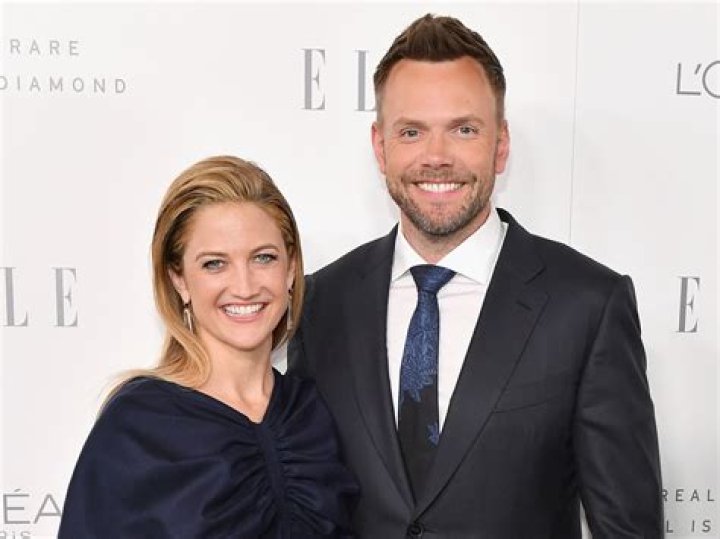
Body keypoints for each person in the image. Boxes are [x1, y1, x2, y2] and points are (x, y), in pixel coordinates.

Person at [288, 14, 662, 538]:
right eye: (412, 132)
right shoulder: (322, 303)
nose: (436, 157)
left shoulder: (587, 306)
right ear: (380, 147)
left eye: (463, 129)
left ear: (500, 144)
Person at [59, 156, 358, 538]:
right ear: (179, 280)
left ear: (290, 268)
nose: (245, 286)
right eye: (215, 264)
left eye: (263, 258)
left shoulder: (310, 411)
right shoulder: (139, 424)